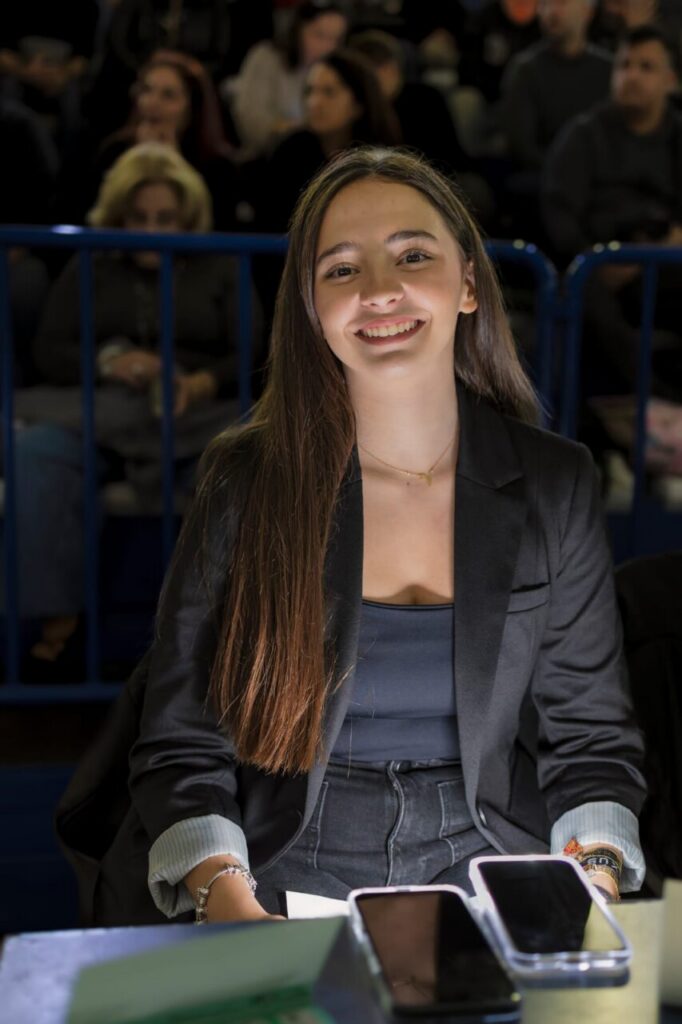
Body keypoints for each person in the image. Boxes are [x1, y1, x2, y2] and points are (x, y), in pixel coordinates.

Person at [57, 146, 646, 927]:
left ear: (468, 282)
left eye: (412, 254)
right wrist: (229, 903)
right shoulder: (246, 479)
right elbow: (181, 744)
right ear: (310, 307)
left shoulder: (555, 482)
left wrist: (590, 888)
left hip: (494, 856)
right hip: (276, 859)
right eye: (341, 270)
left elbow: (591, 741)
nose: (379, 291)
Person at [10, 143, 258, 680]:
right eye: (137, 218)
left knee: (237, 461)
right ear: (117, 217)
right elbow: (50, 350)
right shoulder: (91, 261)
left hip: (199, 417)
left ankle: (216, 650)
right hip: (104, 413)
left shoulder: (219, 262)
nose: (149, 230)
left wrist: (200, 378)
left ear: (186, 218)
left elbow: (254, 350)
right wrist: (110, 362)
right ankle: (55, 632)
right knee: (33, 453)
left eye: (164, 219)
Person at [542, 24, 682, 396]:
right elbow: (559, 215)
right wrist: (595, 259)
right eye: (624, 65)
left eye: (646, 67)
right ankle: (652, 402)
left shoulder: (677, 137)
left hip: (663, 261)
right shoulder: (584, 134)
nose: (631, 75)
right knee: (583, 288)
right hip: (596, 264)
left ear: (671, 80)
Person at [57, 49, 237, 228]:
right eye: (146, 90)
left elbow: (214, 228)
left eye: (168, 95)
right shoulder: (114, 151)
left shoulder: (217, 165)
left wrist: (171, 164)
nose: (152, 102)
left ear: (193, 107)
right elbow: (91, 217)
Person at [227, 1, 349, 158]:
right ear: (298, 30)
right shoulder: (266, 57)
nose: (327, 47)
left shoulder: (334, 72)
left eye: (335, 40)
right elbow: (252, 123)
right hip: (265, 159)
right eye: (319, 35)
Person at [502, 0, 612, 170]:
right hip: (542, 178)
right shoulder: (525, 70)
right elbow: (522, 148)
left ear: (587, 11)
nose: (551, 11)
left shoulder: (610, 70)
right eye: (544, 3)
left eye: (561, 2)